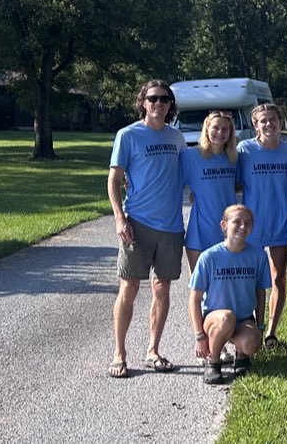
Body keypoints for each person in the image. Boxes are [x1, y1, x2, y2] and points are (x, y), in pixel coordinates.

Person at [107, 80, 187, 378]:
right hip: (137, 223)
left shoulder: (177, 138)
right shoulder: (128, 135)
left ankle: (153, 350)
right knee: (129, 287)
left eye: (165, 99)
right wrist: (119, 218)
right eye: (153, 98)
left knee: (162, 288)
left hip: (171, 226)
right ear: (143, 102)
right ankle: (119, 352)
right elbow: (114, 180)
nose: (159, 104)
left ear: (170, 105)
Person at [236, 103, 287, 349]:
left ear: (280, 121)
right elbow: (234, 183)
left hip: (281, 222)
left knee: (279, 279)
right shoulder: (245, 149)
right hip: (250, 226)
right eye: (263, 121)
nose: (268, 125)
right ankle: (252, 326)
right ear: (255, 124)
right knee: (250, 279)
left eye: (272, 119)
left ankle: (271, 331)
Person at [189, 205, 271, 384]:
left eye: (247, 223)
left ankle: (241, 357)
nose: (243, 227)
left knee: (251, 342)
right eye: (237, 222)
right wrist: (199, 337)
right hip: (215, 319)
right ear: (224, 226)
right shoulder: (209, 257)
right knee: (227, 317)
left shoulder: (258, 255)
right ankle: (213, 361)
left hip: (244, 319)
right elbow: (194, 300)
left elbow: (260, 292)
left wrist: (260, 326)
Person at [181, 110, 238, 276]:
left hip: (228, 229)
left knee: (224, 285)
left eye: (225, 129)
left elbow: (242, 185)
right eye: (215, 128)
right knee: (198, 285)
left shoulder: (234, 159)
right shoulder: (190, 156)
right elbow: (170, 182)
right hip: (200, 229)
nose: (220, 133)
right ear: (206, 129)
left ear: (230, 133)